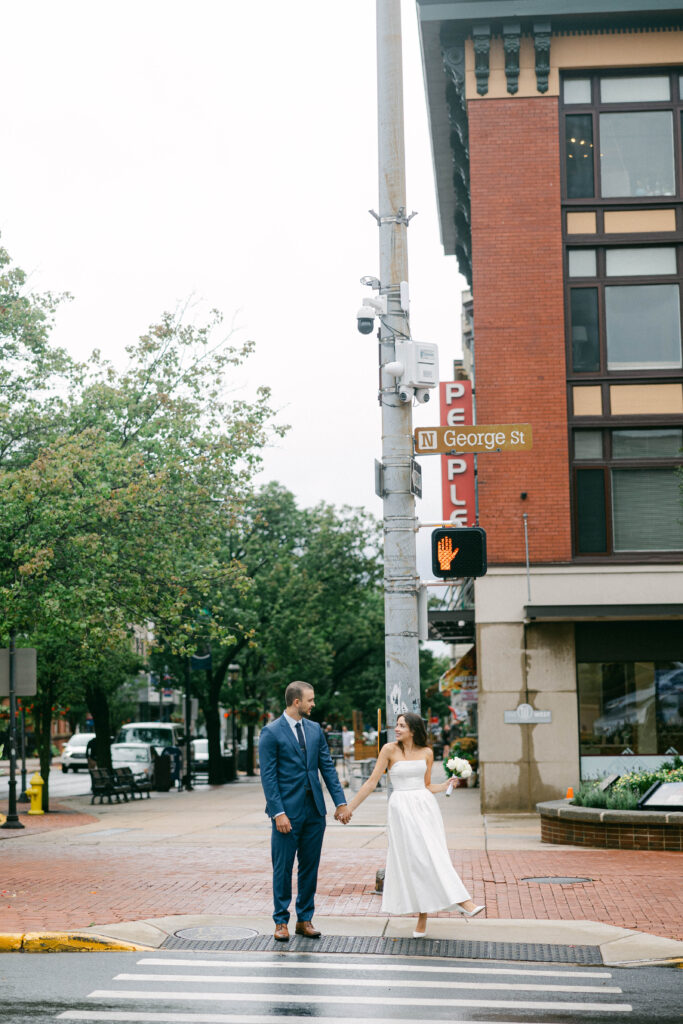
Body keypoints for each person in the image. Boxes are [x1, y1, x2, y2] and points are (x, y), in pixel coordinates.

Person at [346, 711, 484, 937]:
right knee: (416, 862)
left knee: (432, 855)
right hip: (401, 810)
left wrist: (446, 784)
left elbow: (427, 785)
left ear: (413, 729)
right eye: (397, 725)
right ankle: (449, 906)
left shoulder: (427, 752)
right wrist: (350, 808)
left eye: (402, 725)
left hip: (425, 808)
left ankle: (457, 903)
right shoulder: (389, 750)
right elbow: (372, 783)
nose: (397, 729)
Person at [258, 681, 352, 942]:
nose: (314, 704)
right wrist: (278, 813)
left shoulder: (315, 729)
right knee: (283, 868)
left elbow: (327, 767)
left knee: (310, 867)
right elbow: (268, 777)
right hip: (287, 813)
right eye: (310, 700)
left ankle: (305, 919)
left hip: (314, 813)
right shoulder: (271, 732)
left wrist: (340, 802)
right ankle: (280, 921)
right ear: (296, 702)